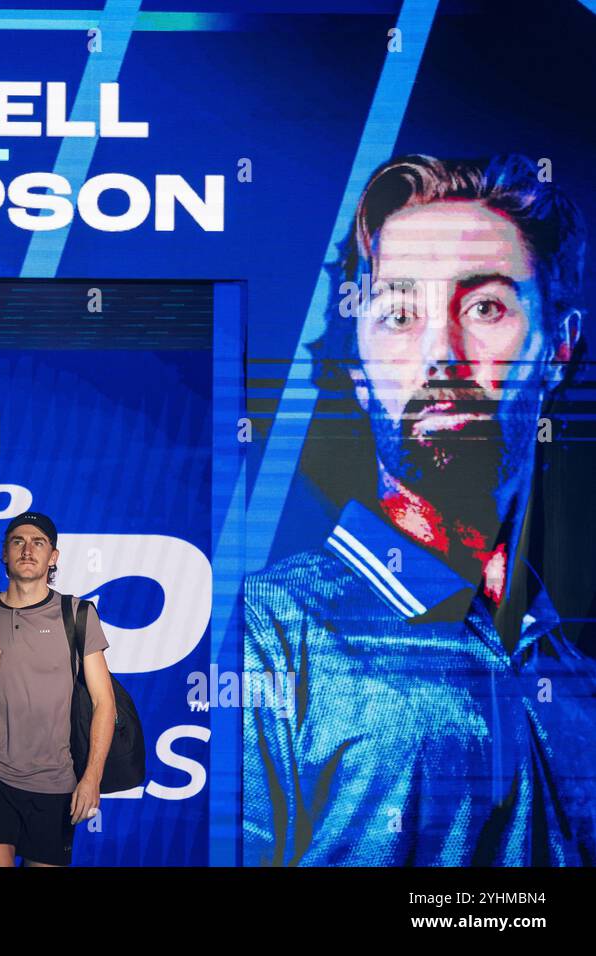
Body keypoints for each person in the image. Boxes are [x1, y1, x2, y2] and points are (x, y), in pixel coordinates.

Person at [243, 154, 596, 865]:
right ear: (358, 370)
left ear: (559, 347)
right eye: (400, 314)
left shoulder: (575, 668)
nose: (443, 352)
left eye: (486, 307)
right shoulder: (264, 632)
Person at [0, 511, 116, 867]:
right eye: (18, 541)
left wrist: (91, 777)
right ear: (4, 553)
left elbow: (104, 703)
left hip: (56, 781)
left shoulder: (76, 614)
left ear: (53, 557)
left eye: (38, 543)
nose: (27, 550)